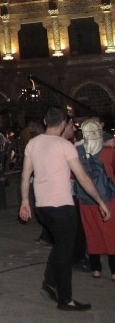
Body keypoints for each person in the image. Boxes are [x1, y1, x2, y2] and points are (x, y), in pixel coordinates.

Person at [20, 106, 111, 312]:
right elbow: (83, 177)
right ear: (63, 124)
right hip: (61, 206)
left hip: (42, 206)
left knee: (60, 247)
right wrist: (100, 201)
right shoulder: (64, 145)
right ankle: (65, 299)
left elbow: (26, 175)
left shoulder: (33, 143)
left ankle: (49, 283)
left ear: (45, 120)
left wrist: (25, 201)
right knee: (65, 253)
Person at [75, 119, 115, 280]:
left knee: (91, 232)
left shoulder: (77, 151)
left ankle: (96, 269)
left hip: (85, 198)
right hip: (108, 198)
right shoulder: (108, 151)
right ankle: (114, 271)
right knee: (111, 233)